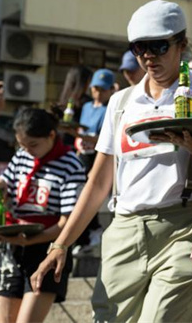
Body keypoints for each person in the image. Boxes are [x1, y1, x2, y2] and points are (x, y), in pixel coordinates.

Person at [30, 0, 192, 323]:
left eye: (159, 46)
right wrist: (60, 245)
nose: (148, 56)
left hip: (183, 228)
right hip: (124, 230)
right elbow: (100, 182)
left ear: (182, 44)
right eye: (139, 48)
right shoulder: (121, 102)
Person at [0, 108, 86, 323]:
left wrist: (29, 239)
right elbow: (8, 179)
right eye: (21, 145)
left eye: (33, 145)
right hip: (14, 249)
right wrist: (0, 184)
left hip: (47, 249)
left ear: (51, 135)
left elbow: (67, 224)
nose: (27, 151)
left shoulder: (71, 165)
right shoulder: (22, 155)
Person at [73, 68, 116, 254]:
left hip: (99, 155)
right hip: (83, 154)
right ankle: (87, 233)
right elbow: (82, 134)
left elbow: (104, 139)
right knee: (79, 194)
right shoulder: (86, 107)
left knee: (92, 194)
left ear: (109, 90)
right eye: (95, 88)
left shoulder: (110, 109)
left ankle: (94, 230)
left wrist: (79, 135)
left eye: (102, 89)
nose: (97, 92)